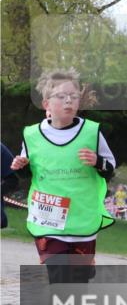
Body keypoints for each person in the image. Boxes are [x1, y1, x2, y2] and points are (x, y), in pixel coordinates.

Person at [10, 69, 116, 283]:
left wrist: (97, 161)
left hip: (81, 218)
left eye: (73, 96)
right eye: (61, 96)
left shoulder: (91, 132)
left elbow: (110, 167)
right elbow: (28, 170)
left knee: (77, 281)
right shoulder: (32, 135)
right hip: (49, 219)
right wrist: (20, 165)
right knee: (59, 276)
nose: (68, 100)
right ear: (46, 104)